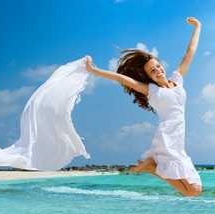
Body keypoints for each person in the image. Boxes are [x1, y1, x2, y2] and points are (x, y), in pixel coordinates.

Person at [86, 17, 202, 197]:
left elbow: (190, 52)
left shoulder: (177, 79)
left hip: (178, 139)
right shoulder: (152, 91)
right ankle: (151, 167)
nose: (158, 71)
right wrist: (94, 70)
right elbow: (122, 79)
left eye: (158, 66)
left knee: (196, 189)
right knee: (193, 191)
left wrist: (198, 26)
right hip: (167, 138)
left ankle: (150, 167)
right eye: (152, 71)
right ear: (148, 76)